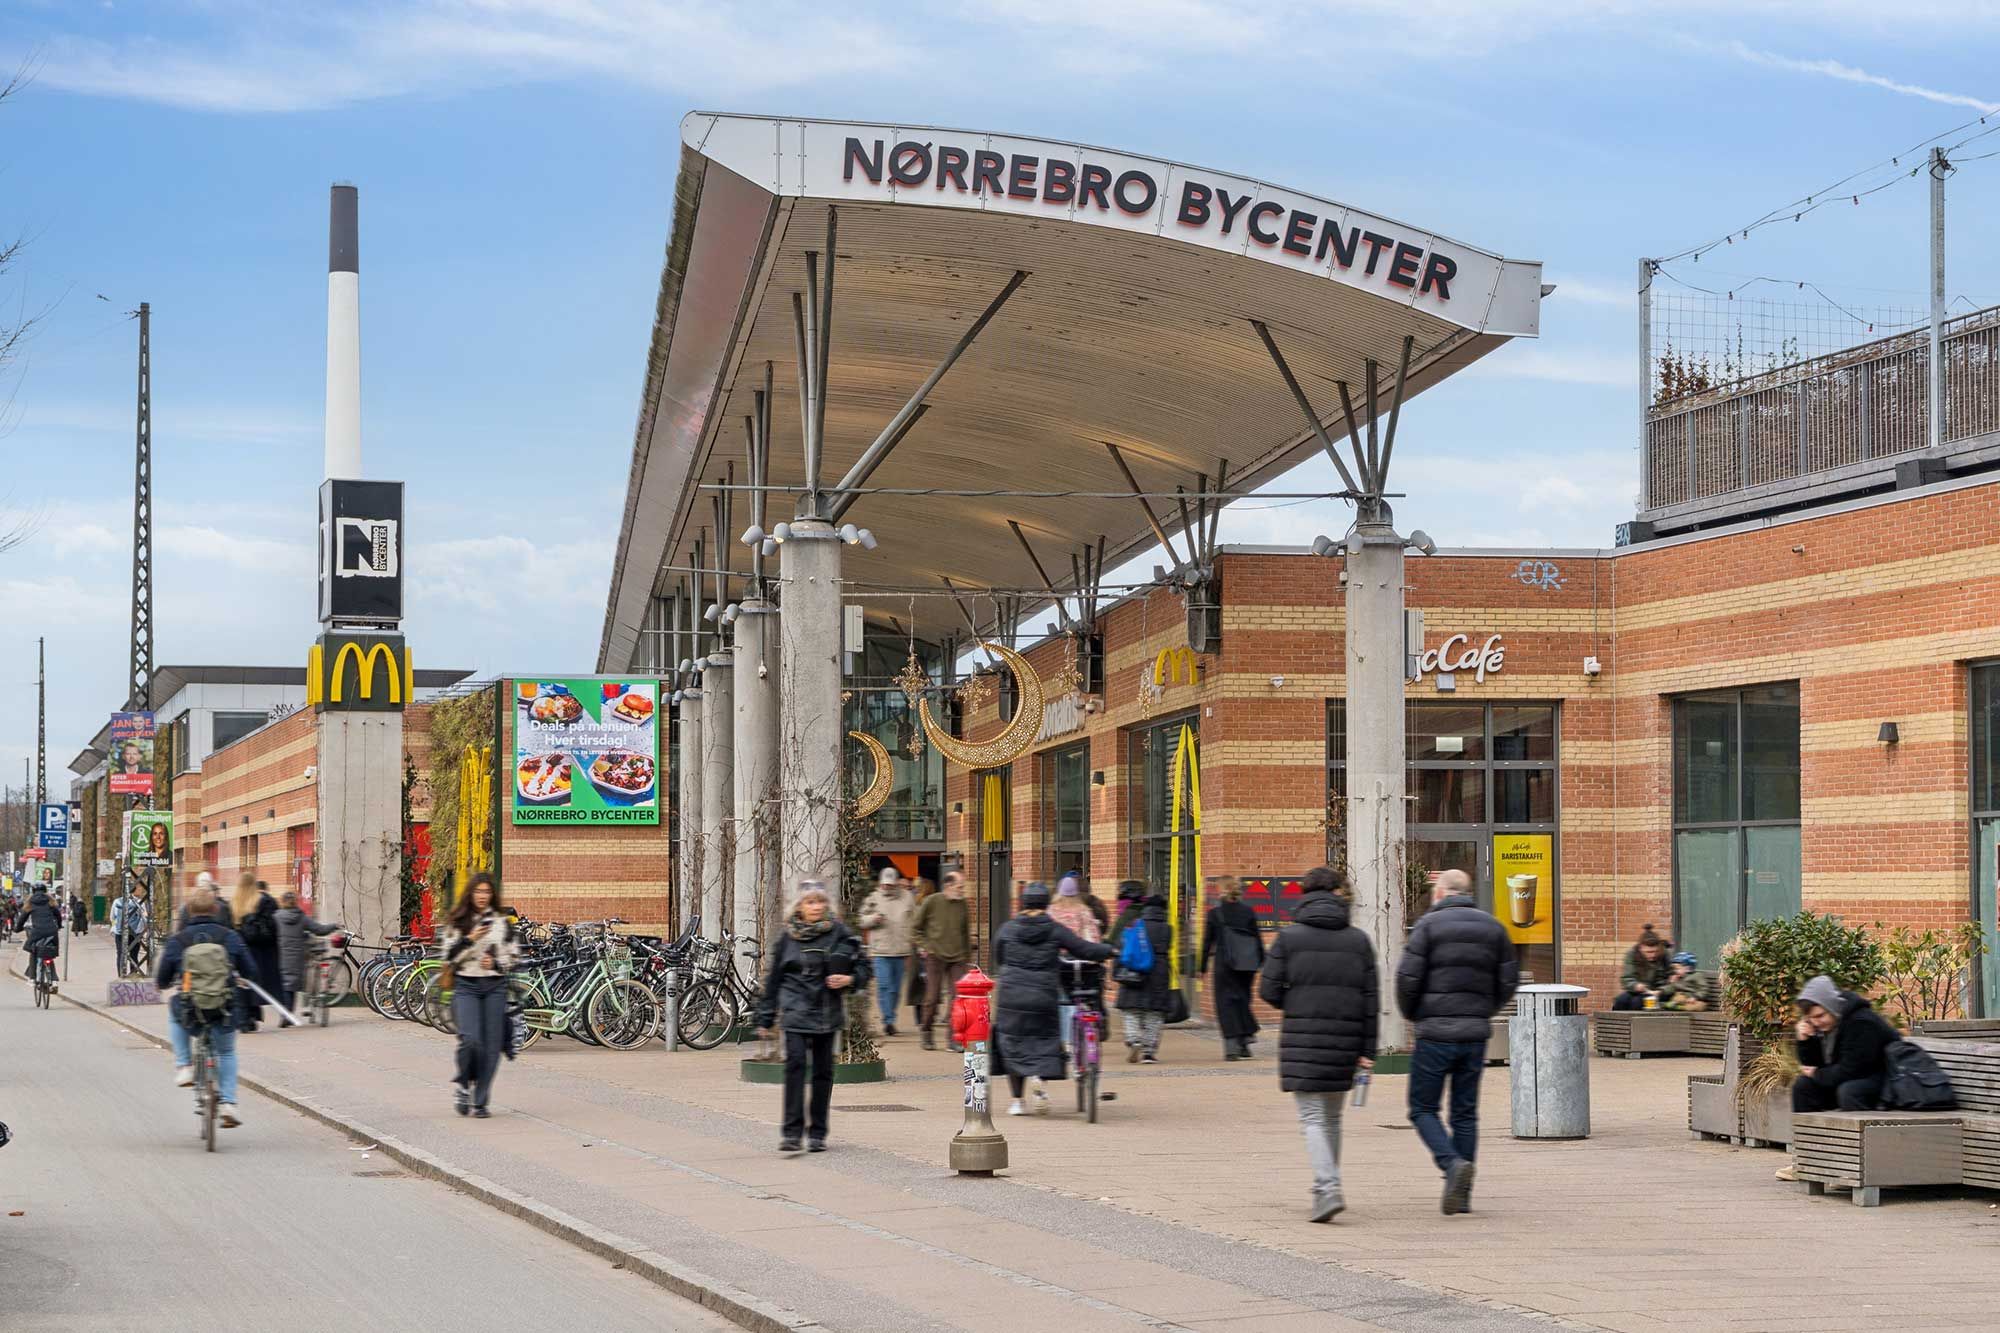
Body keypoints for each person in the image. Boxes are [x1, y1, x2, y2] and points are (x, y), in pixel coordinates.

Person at [1395, 867, 1518, 1216]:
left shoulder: (1427, 927)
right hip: (1474, 1035)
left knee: (1422, 1108)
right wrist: (1484, 1011)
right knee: (1465, 1113)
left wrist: (1414, 1015)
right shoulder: (1494, 928)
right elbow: (1508, 981)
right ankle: (1462, 1195)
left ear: (1440, 892)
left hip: (1434, 1033)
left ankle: (1451, 1165)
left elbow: (1407, 979)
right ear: (1467, 893)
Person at [1258, 865, 1377, 1222]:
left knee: (1311, 1117)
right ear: (1337, 893)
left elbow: (1268, 989)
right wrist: (1368, 1050)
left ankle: (1328, 1187)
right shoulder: (1358, 941)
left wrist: (1295, 1003)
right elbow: (1371, 1001)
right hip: (1346, 1039)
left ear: (1305, 895)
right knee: (1332, 1118)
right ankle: (1327, 1186)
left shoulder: (1289, 938)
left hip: (1303, 1037)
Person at [754, 882, 866, 1152]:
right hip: (795, 1011)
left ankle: (817, 1133)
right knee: (794, 1067)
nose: (816, 907)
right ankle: (792, 1133)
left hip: (827, 1013)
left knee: (822, 1073)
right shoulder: (787, 938)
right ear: (799, 906)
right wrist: (765, 1017)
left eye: (820, 901)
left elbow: (864, 966)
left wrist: (849, 979)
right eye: (810, 902)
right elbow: (774, 979)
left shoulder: (840, 933)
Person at [991, 882, 1115, 1116]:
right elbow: (1083, 949)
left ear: (1023, 903)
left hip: (1011, 995)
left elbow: (998, 956)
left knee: (1013, 1044)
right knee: (1042, 1042)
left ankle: (1017, 1101)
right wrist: (1109, 951)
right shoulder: (1054, 929)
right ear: (1045, 904)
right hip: (1042, 995)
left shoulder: (1007, 929)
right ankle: (1039, 1082)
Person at [155, 884, 254, 1127]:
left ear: (189, 910)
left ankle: (184, 1065)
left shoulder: (178, 940)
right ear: (216, 909)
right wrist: (242, 979)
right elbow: (251, 970)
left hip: (191, 1009)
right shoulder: (230, 937)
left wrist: (164, 983)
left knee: (174, 1011)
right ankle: (228, 1103)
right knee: (226, 1052)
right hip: (224, 1007)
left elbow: (163, 978)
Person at [441, 872, 519, 1118]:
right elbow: (448, 957)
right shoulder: (458, 921)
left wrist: (495, 963)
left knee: (492, 1047)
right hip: (466, 985)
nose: (482, 896)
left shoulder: (502, 923)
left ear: (492, 895)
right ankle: (464, 1085)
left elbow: (513, 957)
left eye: (486, 892)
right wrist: (469, 940)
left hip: (495, 987)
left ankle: (481, 1101)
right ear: (470, 893)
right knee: (471, 1039)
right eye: (478, 891)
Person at [1202, 874, 1266, 1060]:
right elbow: (1257, 938)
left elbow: (1207, 942)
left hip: (1225, 964)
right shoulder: (1248, 912)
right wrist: (1261, 962)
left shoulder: (1215, 914)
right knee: (1242, 1000)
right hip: (1247, 964)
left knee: (1225, 1004)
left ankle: (1232, 1046)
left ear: (1221, 890)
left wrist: (1202, 966)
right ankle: (1245, 1041)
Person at [912, 870, 973, 1050]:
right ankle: (926, 1032)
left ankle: (953, 1039)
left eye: (963, 887)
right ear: (948, 886)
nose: (962, 891)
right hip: (935, 956)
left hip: (958, 957)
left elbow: (965, 932)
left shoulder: (963, 904)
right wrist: (925, 946)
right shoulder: (932, 901)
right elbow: (915, 928)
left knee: (958, 998)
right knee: (932, 997)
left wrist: (967, 959)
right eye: (960, 887)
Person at [1114, 891, 1175, 1063]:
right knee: (1154, 1013)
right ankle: (1148, 1052)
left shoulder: (1135, 925)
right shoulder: (1167, 929)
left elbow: (1121, 946)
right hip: (1158, 972)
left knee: (1132, 1010)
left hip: (1134, 972)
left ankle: (1134, 1040)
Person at [857, 866, 915, 1036]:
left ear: (896, 883)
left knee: (895, 989)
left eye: (890, 884)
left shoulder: (907, 897)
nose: (886, 887)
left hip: (901, 950)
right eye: (884, 884)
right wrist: (873, 918)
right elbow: (861, 919)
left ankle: (890, 1016)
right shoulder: (873, 898)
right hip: (880, 951)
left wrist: (914, 942)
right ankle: (888, 1021)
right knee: (884, 986)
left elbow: (915, 920)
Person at [274, 889, 342, 1016]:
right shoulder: (301, 917)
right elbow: (319, 930)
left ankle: (285, 1013)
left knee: (284, 984)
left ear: (282, 901)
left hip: (280, 955)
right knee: (293, 984)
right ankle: (288, 1013)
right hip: (298, 957)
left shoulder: (276, 917)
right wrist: (334, 926)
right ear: (296, 902)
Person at [231, 873, 281, 1030]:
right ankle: (252, 1015)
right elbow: (273, 927)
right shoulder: (263, 901)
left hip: (239, 950)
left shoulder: (233, 903)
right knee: (254, 983)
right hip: (259, 951)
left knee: (241, 984)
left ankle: (244, 1019)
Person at [1612, 925, 1672, 1011]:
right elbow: (1626, 978)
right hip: (1639, 990)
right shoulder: (1632, 955)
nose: (1653, 955)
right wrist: (1635, 985)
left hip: (1660, 992)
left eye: (1656, 951)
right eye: (1649, 952)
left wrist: (1662, 990)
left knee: (1636, 1003)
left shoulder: (1666, 955)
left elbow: (1673, 979)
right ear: (1641, 948)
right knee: (1620, 1001)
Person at [17, 887, 63, 992]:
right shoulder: (50, 902)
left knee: (33, 951)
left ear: (33, 892)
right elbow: (58, 916)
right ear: (45, 892)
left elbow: (22, 919)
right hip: (52, 932)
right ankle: (54, 981)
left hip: (37, 932)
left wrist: (17, 929)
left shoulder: (30, 903)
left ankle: (32, 978)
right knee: (49, 954)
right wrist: (59, 925)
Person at [110, 881, 145, 974]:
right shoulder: (139, 902)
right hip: (135, 933)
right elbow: (144, 918)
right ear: (134, 890)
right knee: (134, 955)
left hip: (120, 932)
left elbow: (112, 917)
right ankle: (133, 974)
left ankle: (121, 975)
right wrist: (140, 931)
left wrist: (115, 927)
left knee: (120, 954)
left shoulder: (117, 901)